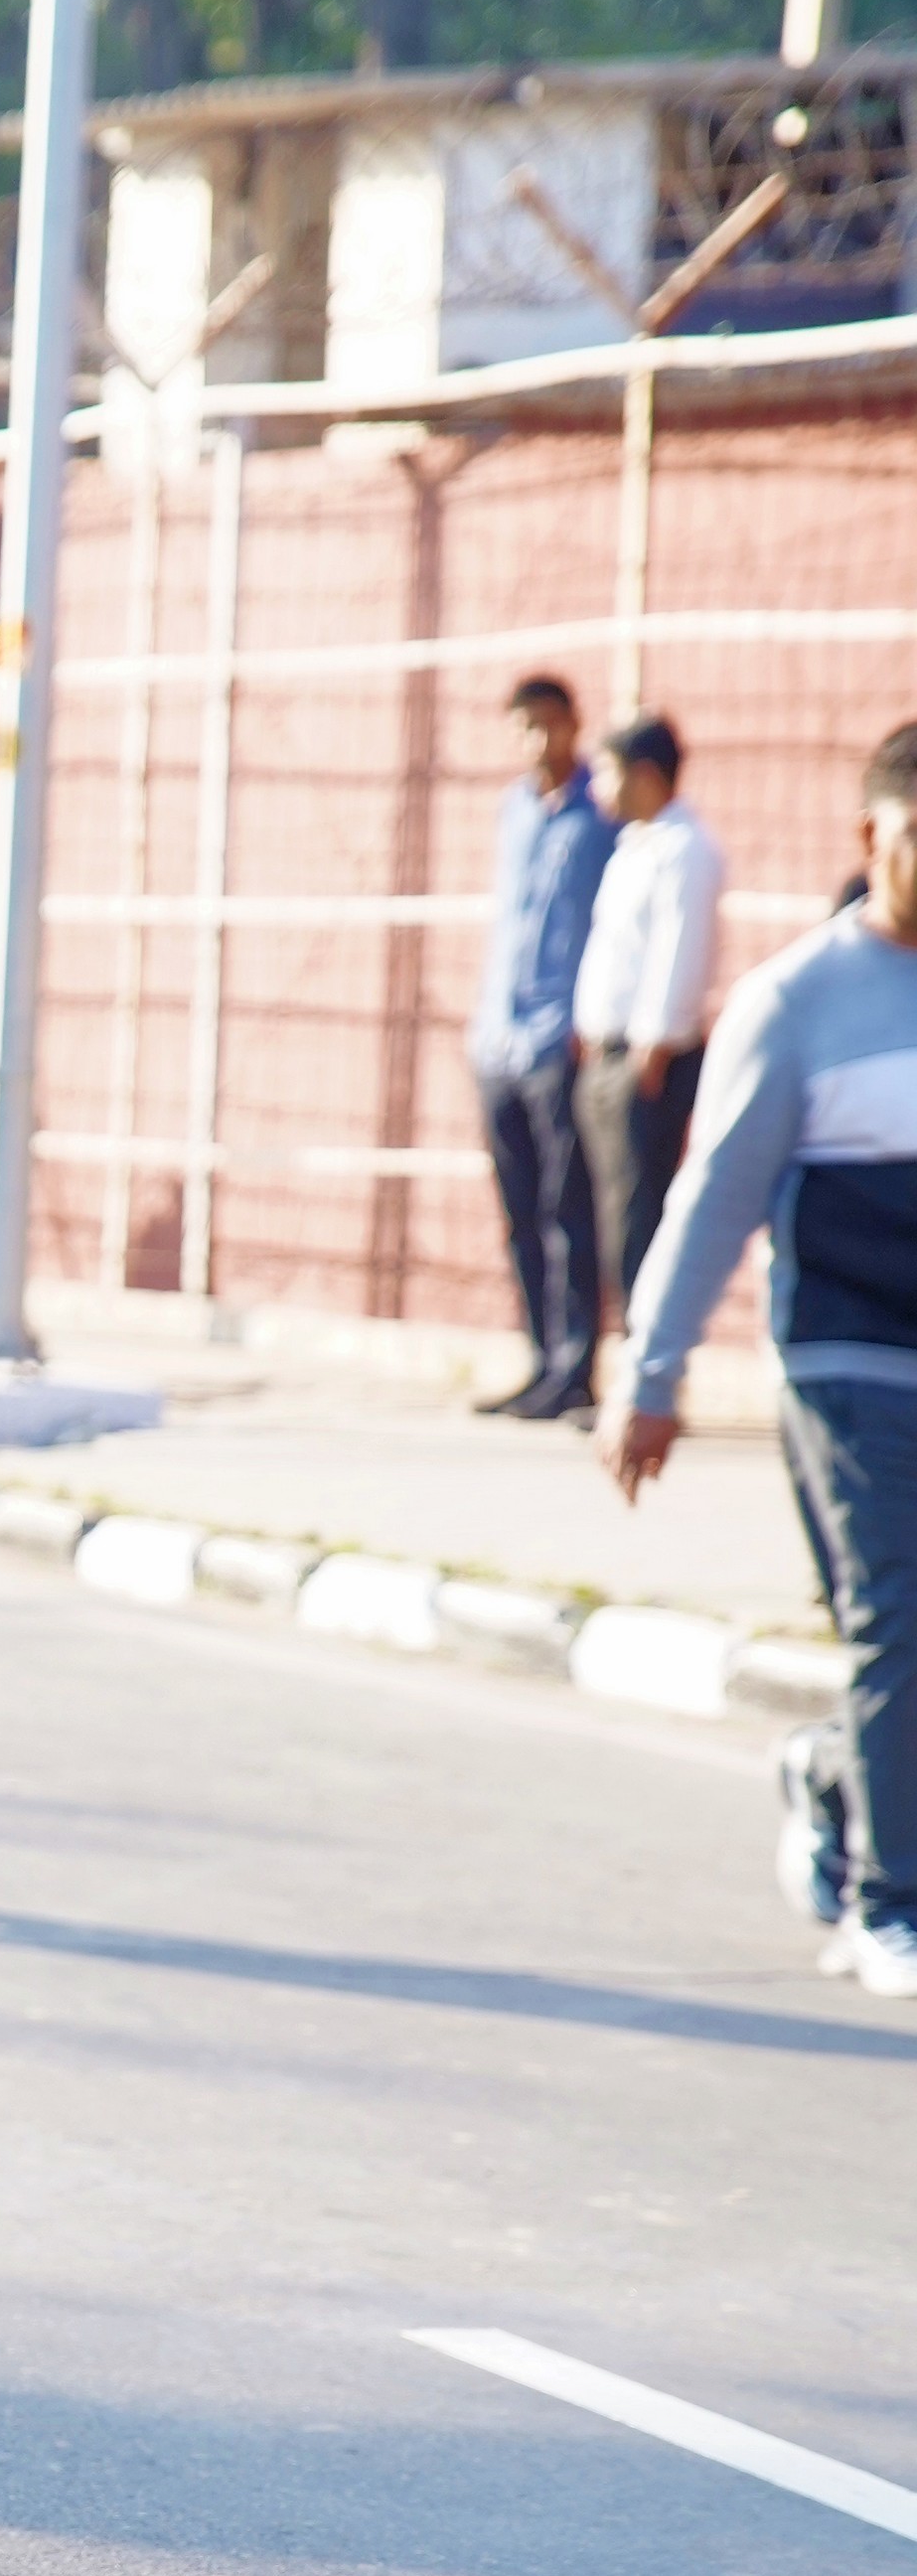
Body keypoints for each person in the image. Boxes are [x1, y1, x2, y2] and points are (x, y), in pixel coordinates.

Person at [604, 717, 917, 2001]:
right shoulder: (796, 1003)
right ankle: (890, 1907)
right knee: (900, 1611)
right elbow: (712, 1201)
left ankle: (835, 1779)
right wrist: (650, 1375)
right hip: (848, 1357)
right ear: (870, 835)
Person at [469, 673, 614, 1420]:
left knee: (568, 1211)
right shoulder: (515, 810)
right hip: (500, 1038)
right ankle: (538, 1357)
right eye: (523, 726)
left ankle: (575, 1366)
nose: (536, 740)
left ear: (572, 724)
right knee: (520, 1211)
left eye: (547, 724)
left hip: (562, 1039)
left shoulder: (601, 814)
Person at [573, 715, 722, 1319]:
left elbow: (678, 953)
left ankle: (648, 1357)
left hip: (646, 1065)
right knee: (612, 1216)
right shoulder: (635, 846)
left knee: (639, 1218)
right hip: (609, 1057)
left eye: (606, 772)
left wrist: (651, 1054)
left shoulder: (685, 850)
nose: (596, 788)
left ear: (643, 775)